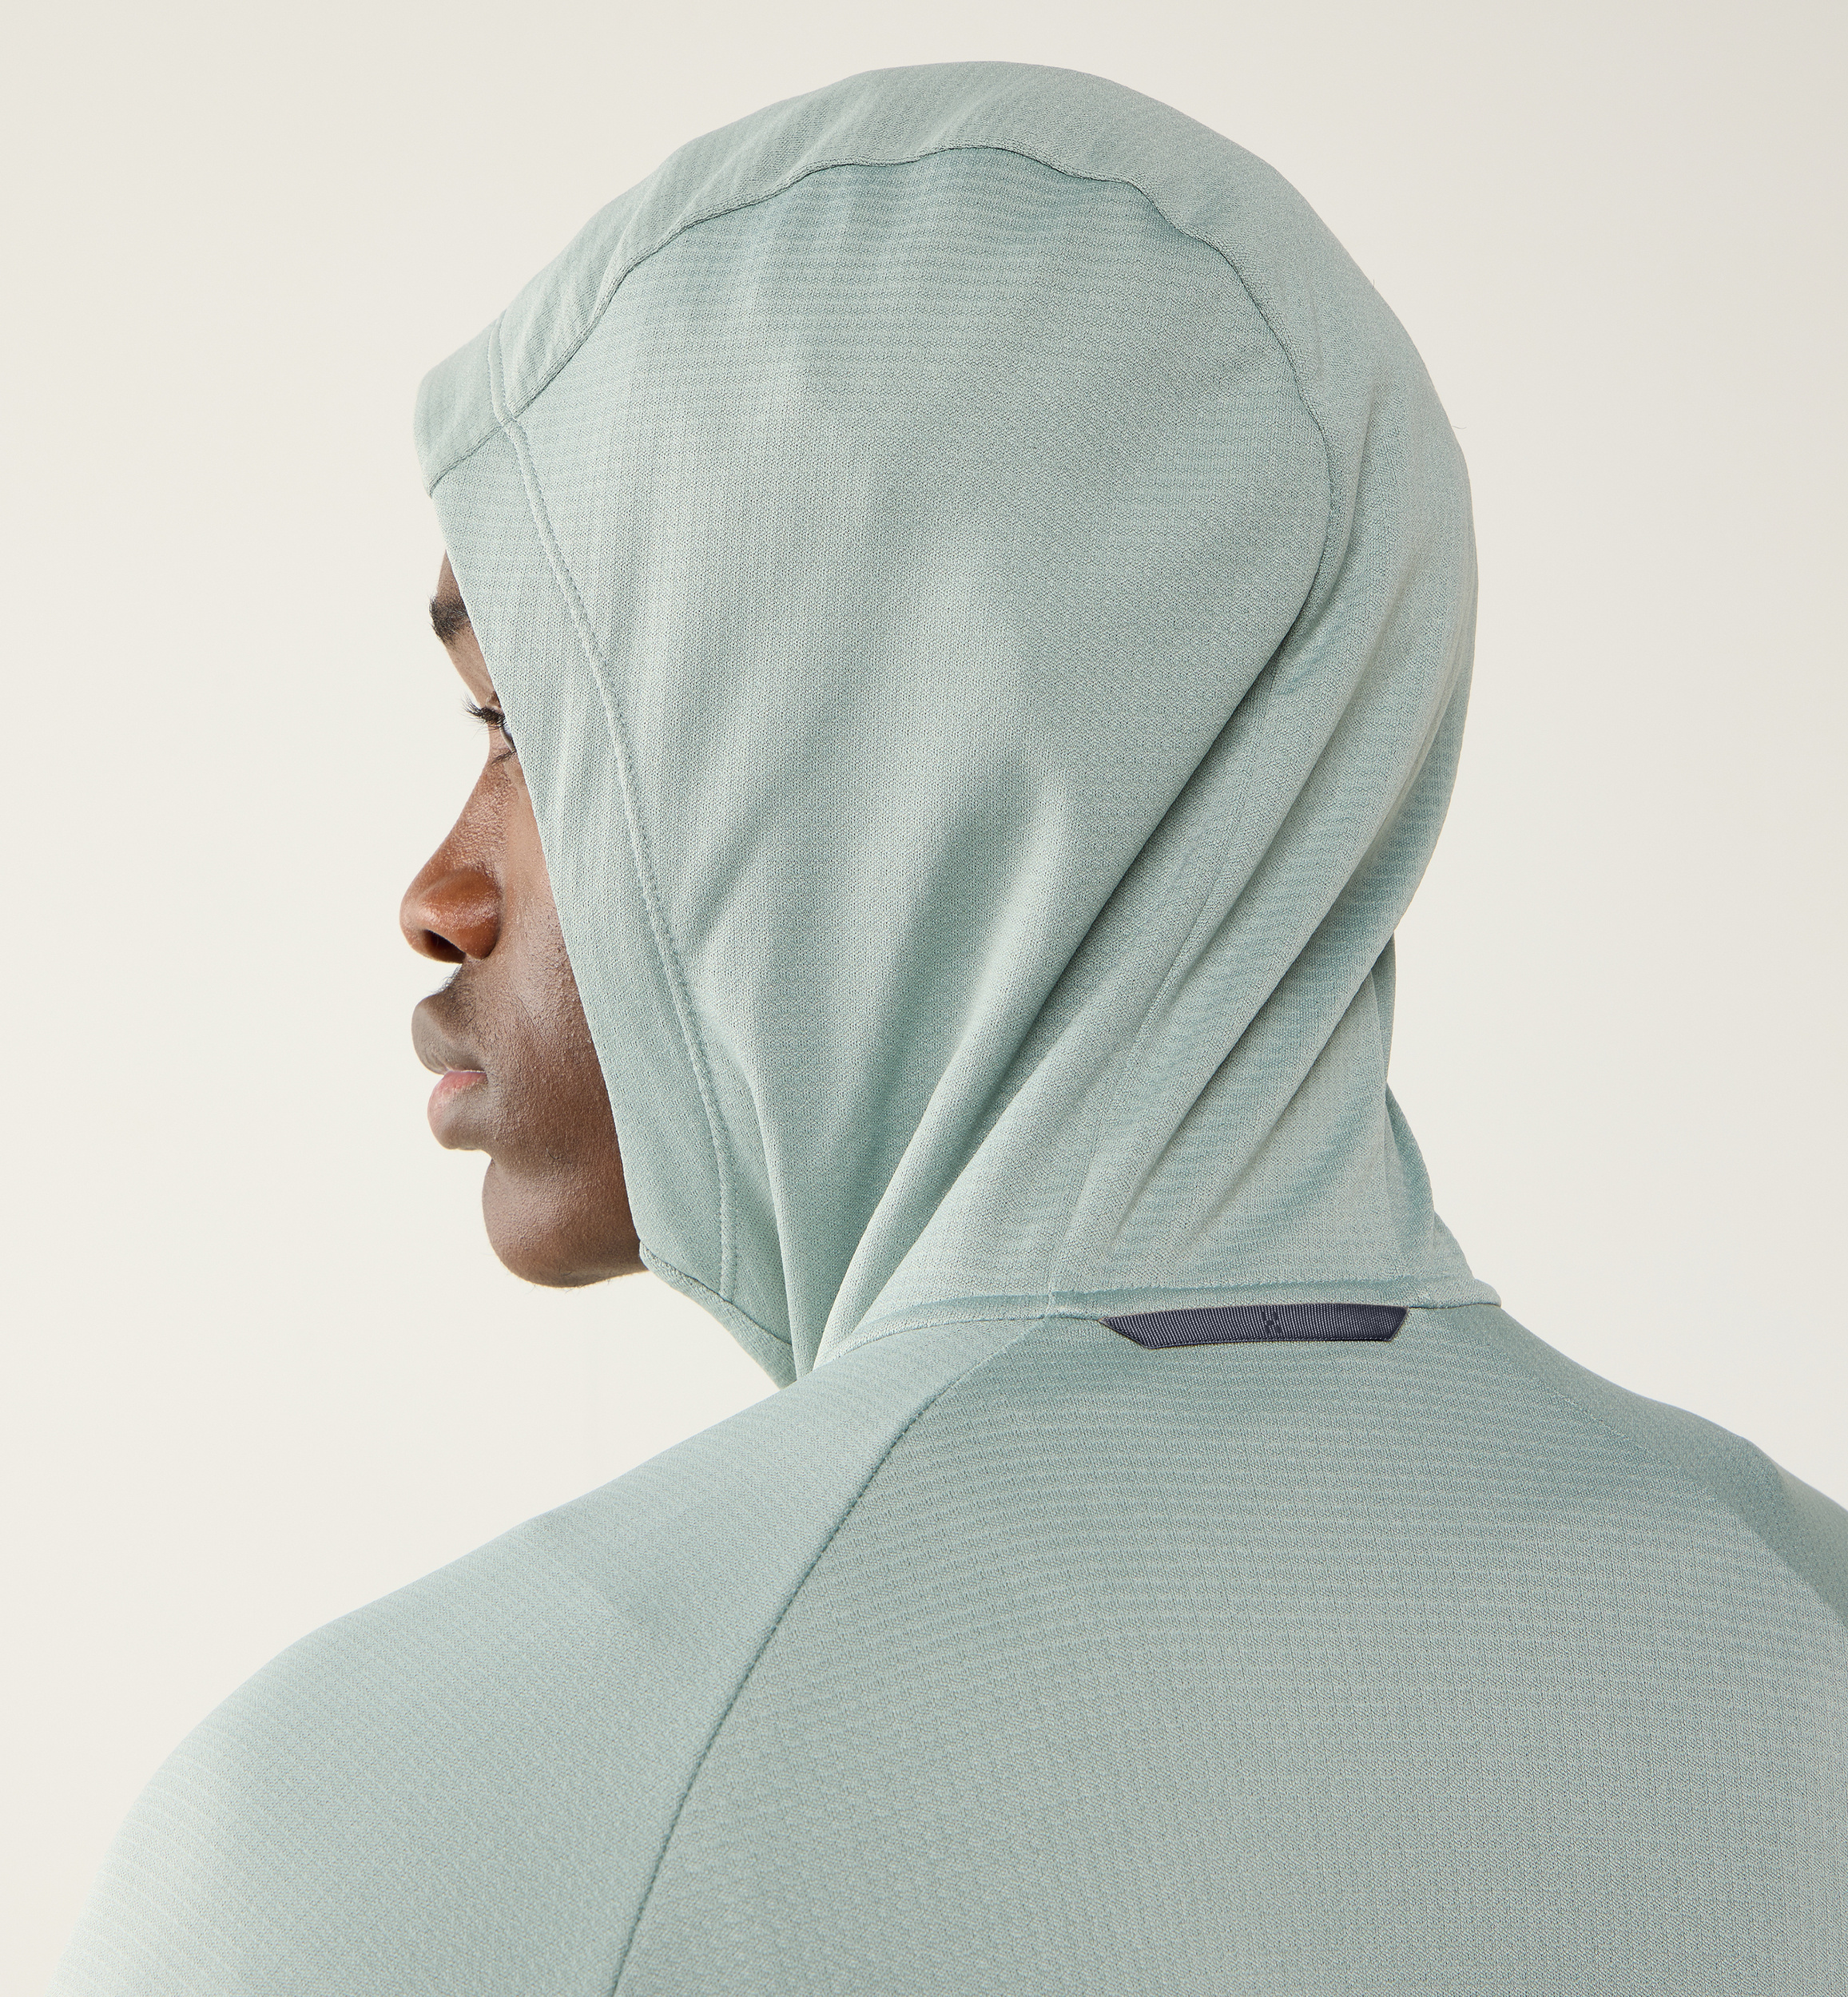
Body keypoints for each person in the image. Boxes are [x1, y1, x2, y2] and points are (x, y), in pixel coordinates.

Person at [52, 60, 1847, 1995]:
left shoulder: (379, 1845)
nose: (438, 892)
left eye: (526, 726)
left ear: (870, 756)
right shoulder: (1792, 1623)